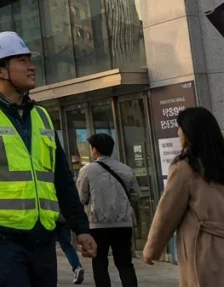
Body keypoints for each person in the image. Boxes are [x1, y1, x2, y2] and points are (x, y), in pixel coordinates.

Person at [0, 31, 94, 286]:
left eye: (30, 60)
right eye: (22, 61)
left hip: (42, 234)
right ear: (0, 71)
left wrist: (80, 228)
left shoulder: (42, 116)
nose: (32, 67)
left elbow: (61, 179)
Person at [143, 106, 224, 287]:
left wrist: (152, 248)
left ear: (188, 132)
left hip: (204, 246)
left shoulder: (186, 167)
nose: (178, 133)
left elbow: (168, 212)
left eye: (179, 128)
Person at [77, 133, 139, 287]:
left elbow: (82, 197)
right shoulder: (125, 169)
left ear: (95, 150)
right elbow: (136, 194)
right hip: (123, 223)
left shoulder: (88, 170)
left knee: (99, 262)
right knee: (125, 263)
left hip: (98, 224)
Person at [54, 215, 86, 285]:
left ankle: (51, 274)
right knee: (67, 245)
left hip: (50, 217)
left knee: (48, 247)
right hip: (64, 218)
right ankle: (77, 267)